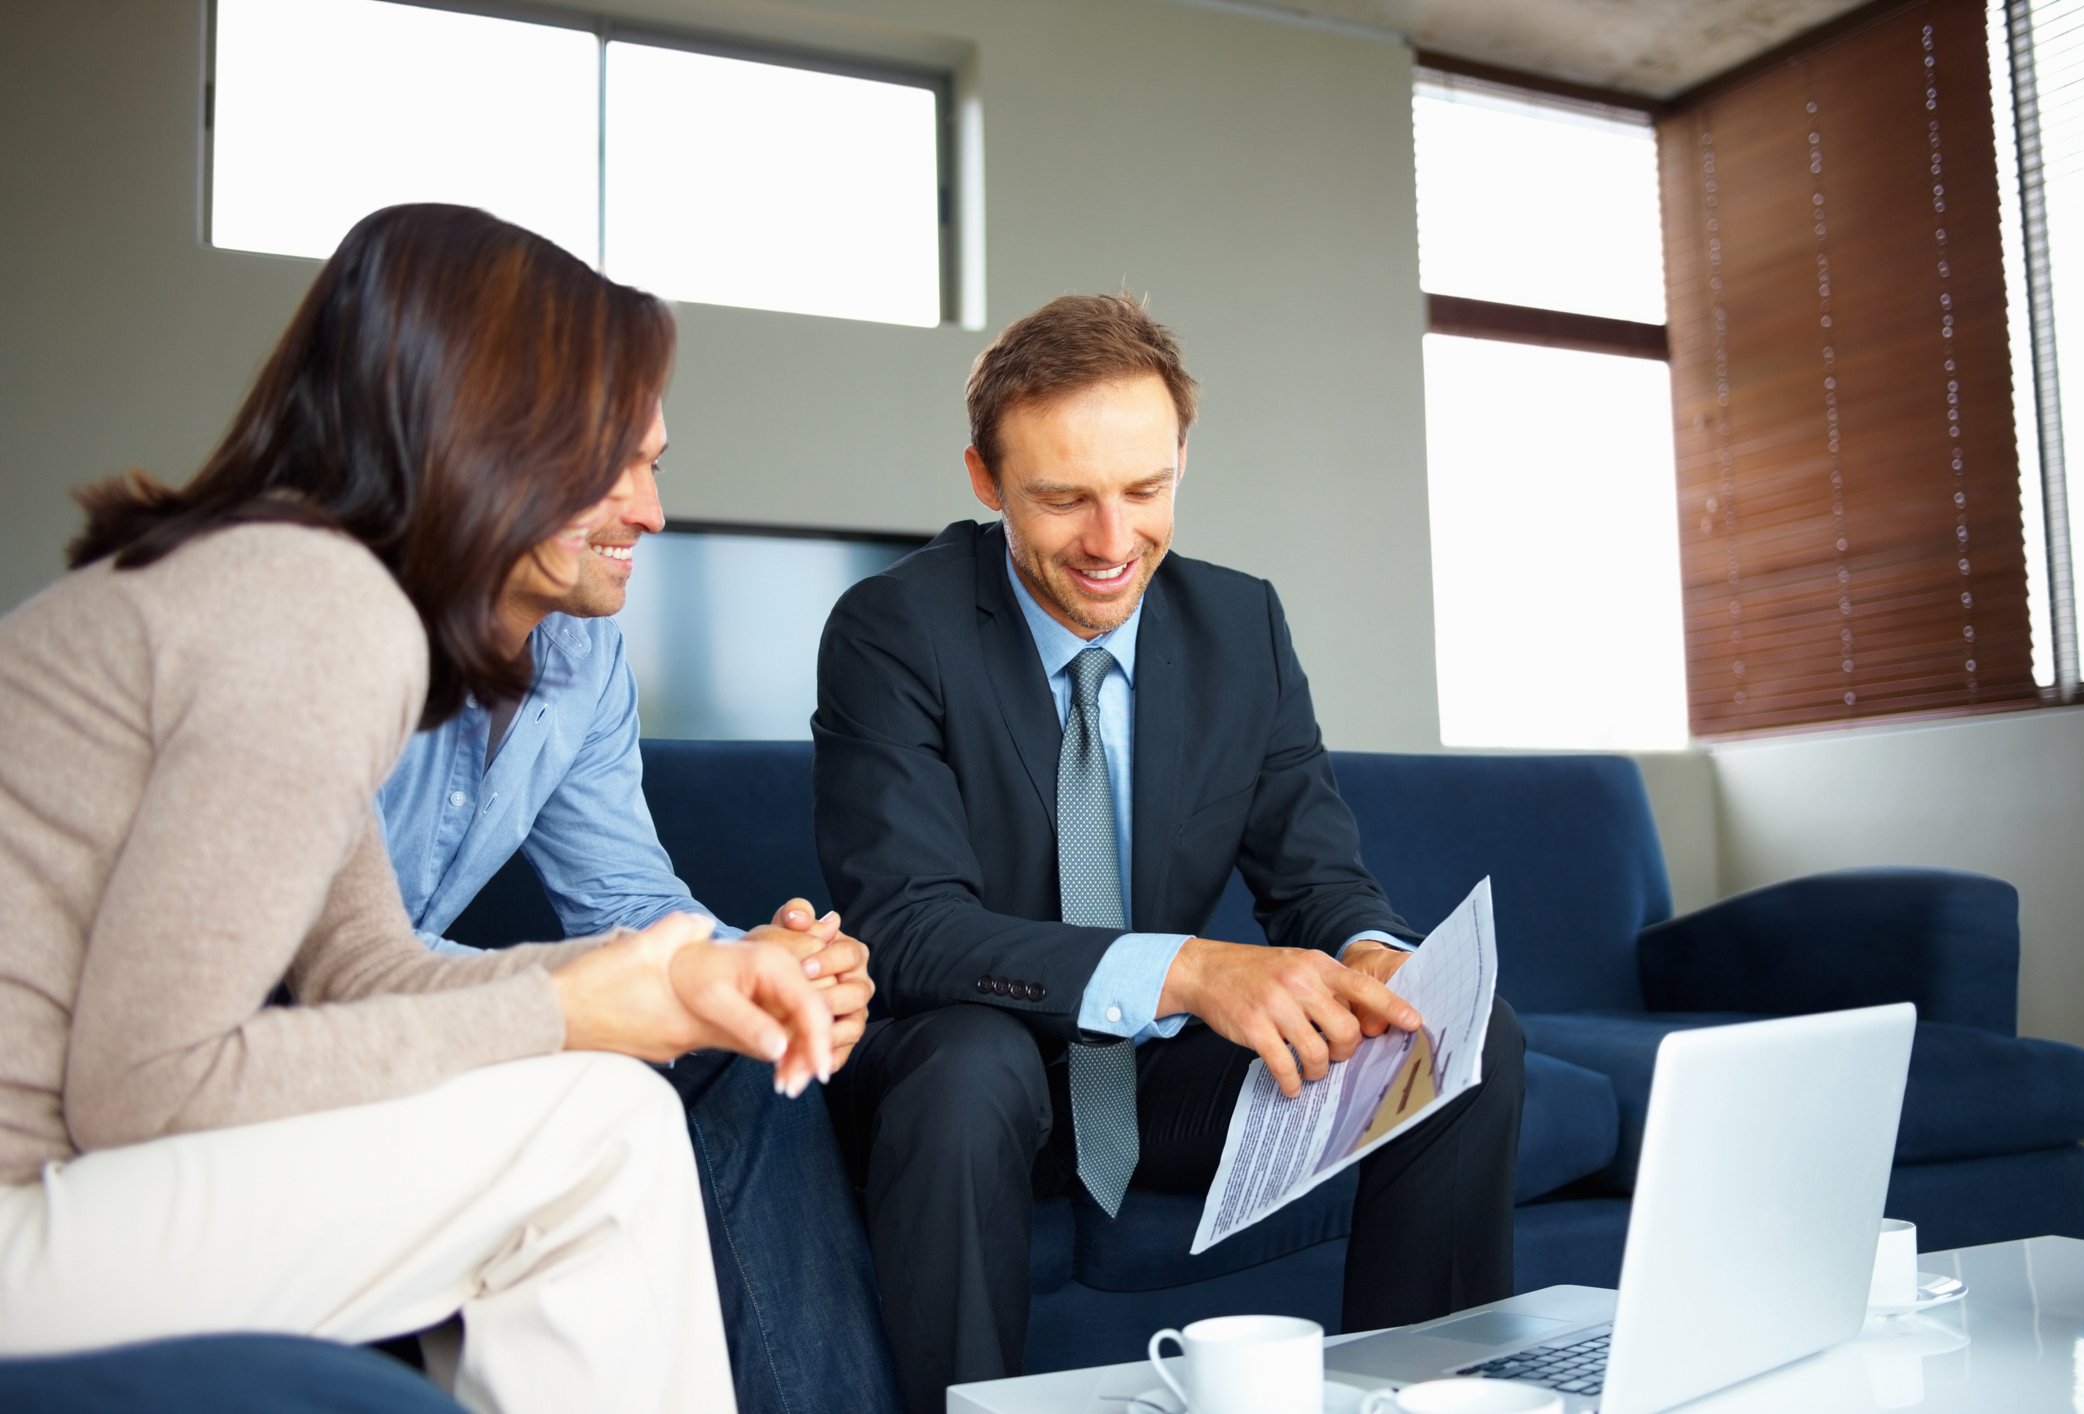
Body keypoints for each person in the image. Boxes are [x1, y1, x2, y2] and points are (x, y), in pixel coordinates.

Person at [0, 203, 836, 1414]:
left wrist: (661, 976)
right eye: (613, 458)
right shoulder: (321, 612)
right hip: (31, 1209)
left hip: (63, 1192)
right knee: (603, 1130)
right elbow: (149, 1083)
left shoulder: (288, 583)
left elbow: (364, 967)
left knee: (606, 1104)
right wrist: (564, 1010)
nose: (653, 512)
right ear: (493, 436)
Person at [812, 293, 1528, 1412]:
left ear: (1182, 458)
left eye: (1145, 490)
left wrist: (1372, 953)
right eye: (1064, 498)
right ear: (986, 479)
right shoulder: (892, 629)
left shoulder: (1241, 627)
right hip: (963, 1070)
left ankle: (1424, 1398)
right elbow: (906, 928)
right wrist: (1191, 970)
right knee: (971, 1065)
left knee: (1452, 1038)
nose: (1112, 542)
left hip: (1144, 1082)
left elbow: (1316, 878)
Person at [374, 396, 901, 1413]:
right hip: (302, 1040)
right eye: (609, 468)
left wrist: (750, 966)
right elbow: (323, 964)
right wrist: (622, 991)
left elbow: (624, 893)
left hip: (443, 1017)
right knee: (622, 1099)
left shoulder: (583, 651)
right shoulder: (351, 635)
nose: (653, 512)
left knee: (751, 1054)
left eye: (654, 465)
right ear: (491, 457)